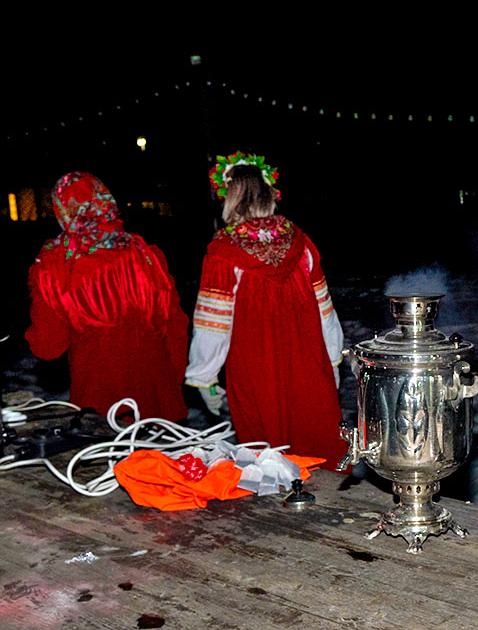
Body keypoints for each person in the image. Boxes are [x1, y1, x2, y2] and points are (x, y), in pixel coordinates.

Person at [185, 152, 347, 470]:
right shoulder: (301, 242)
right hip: (308, 363)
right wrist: (331, 358)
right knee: (315, 441)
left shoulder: (223, 253)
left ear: (229, 198)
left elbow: (213, 323)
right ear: (269, 194)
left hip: (255, 368)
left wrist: (203, 375)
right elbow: (325, 309)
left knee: (266, 452)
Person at [26, 172, 189, 421]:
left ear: (62, 209)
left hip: (99, 401)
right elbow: (175, 327)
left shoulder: (56, 264)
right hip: (157, 395)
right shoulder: (145, 253)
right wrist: (172, 383)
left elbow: (48, 346)